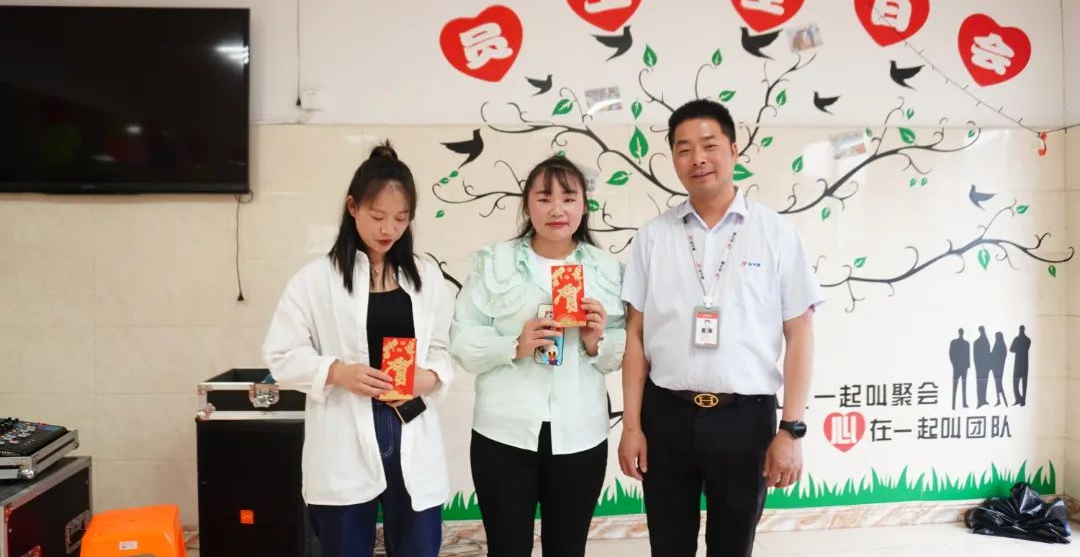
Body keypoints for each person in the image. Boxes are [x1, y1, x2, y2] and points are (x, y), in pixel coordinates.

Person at [617, 99, 824, 557]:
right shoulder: (654, 236)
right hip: (666, 416)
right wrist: (631, 425)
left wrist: (791, 429)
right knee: (668, 546)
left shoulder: (775, 233)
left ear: (733, 149)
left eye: (709, 145)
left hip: (745, 420)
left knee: (733, 545)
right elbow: (635, 335)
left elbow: (801, 333)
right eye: (683, 149)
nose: (698, 158)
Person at [263, 142, 454, 557]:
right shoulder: (315, 280)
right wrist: (337, 372)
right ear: (352, 207)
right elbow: (280, 354)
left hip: (409, 426)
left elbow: (441, 347)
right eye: (378, 217)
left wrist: (428, 377)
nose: (389, 229)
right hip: (343, 431)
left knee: (419, 546)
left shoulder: (426, 277)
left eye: (400, 218)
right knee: (344, 545)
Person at [450, 155, 626, 556]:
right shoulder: (494, 261)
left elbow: (622, 351)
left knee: (568, 547)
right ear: (527, 205)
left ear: (585, 205)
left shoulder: (606, 269)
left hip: (581, 433)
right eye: (544, 198)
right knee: (506, 548)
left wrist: (596, 340)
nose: (557, 209)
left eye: (569, 198)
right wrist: (514, 345)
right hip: (503, 433)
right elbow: (461, 339)